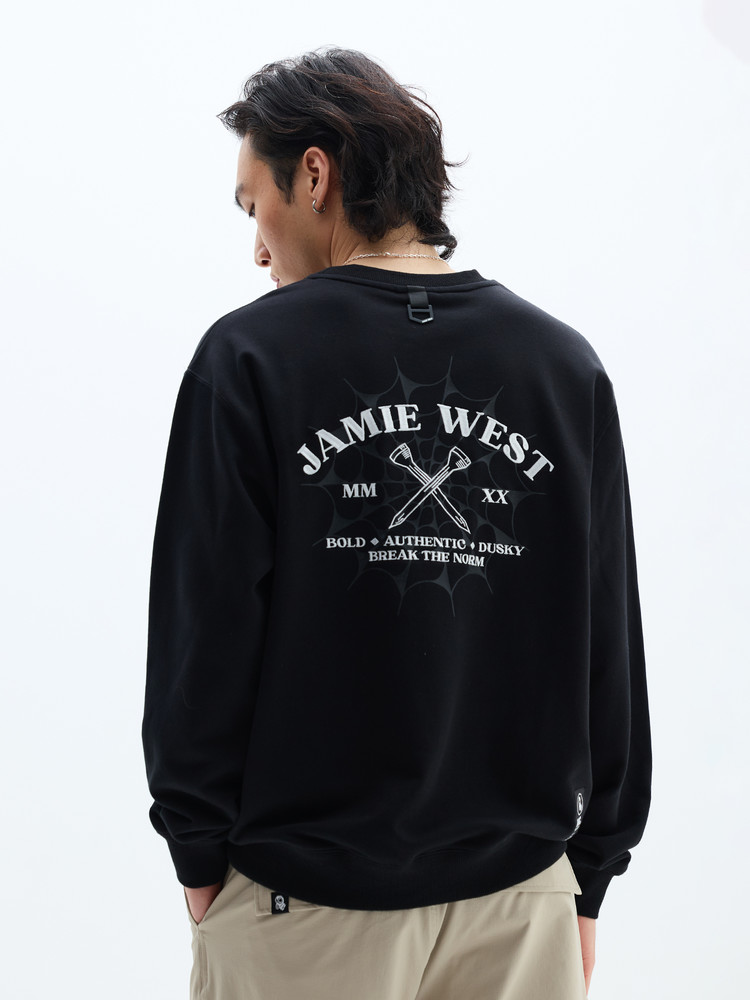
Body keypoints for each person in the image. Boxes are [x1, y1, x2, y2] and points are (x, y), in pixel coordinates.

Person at [141, 46, 652, 1000]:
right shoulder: (560, 366)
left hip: (301, 904)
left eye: (254, 206)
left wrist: (197, 852)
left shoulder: (250, 357)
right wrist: (588, 874)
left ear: (315, 175)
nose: (258, 249)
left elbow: (202, 633)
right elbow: (609, 638)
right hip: (522, 904)